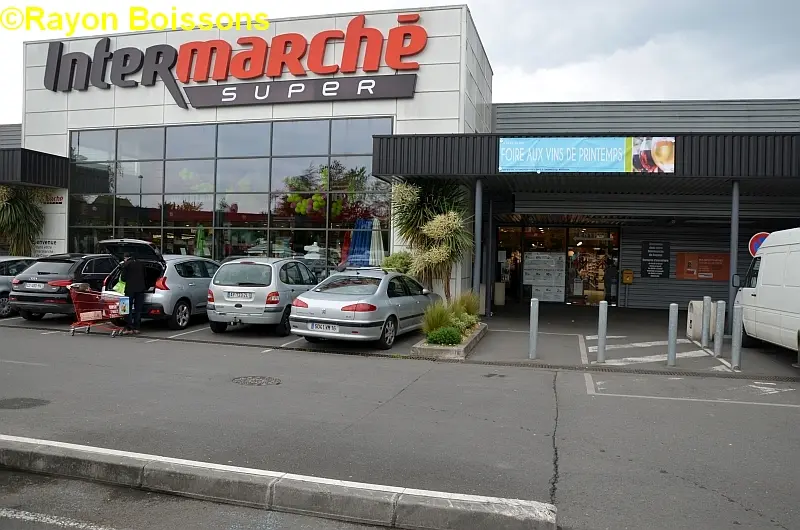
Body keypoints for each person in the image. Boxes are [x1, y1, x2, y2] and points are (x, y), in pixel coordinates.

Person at [120, 252, 146, 333]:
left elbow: (123, 278)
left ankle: (128, 328)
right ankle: (136, 328)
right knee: (138, 309)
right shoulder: (141, 264)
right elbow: (145, 275)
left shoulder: (126, 264)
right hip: (141, 289)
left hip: (129, 289)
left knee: (126, 308)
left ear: (126, 258)